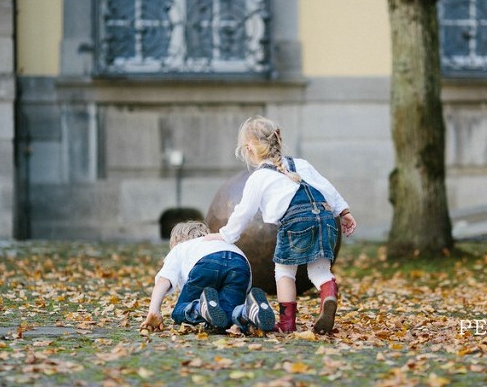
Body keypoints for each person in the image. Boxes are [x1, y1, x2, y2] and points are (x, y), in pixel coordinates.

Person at [204, 115, 357, 334]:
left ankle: (287, 323)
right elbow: (327, 188)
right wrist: (344, 211)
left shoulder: (259, 178)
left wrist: (226, 235)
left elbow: (244, 212)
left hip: (296, 223)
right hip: (325, 218)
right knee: (319, 270)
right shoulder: (301, 164)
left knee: (284, 272)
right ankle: (328, 292)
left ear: (249, 148)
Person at [140, 220, 275, 334]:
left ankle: (199, 308)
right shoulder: (217, 241)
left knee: (179, 311)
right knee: (226, 318)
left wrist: (154, 310)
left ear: (176, 242)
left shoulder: (180, 248)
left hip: (206, 263)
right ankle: (246, 311)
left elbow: (164, 280)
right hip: (239, 262)